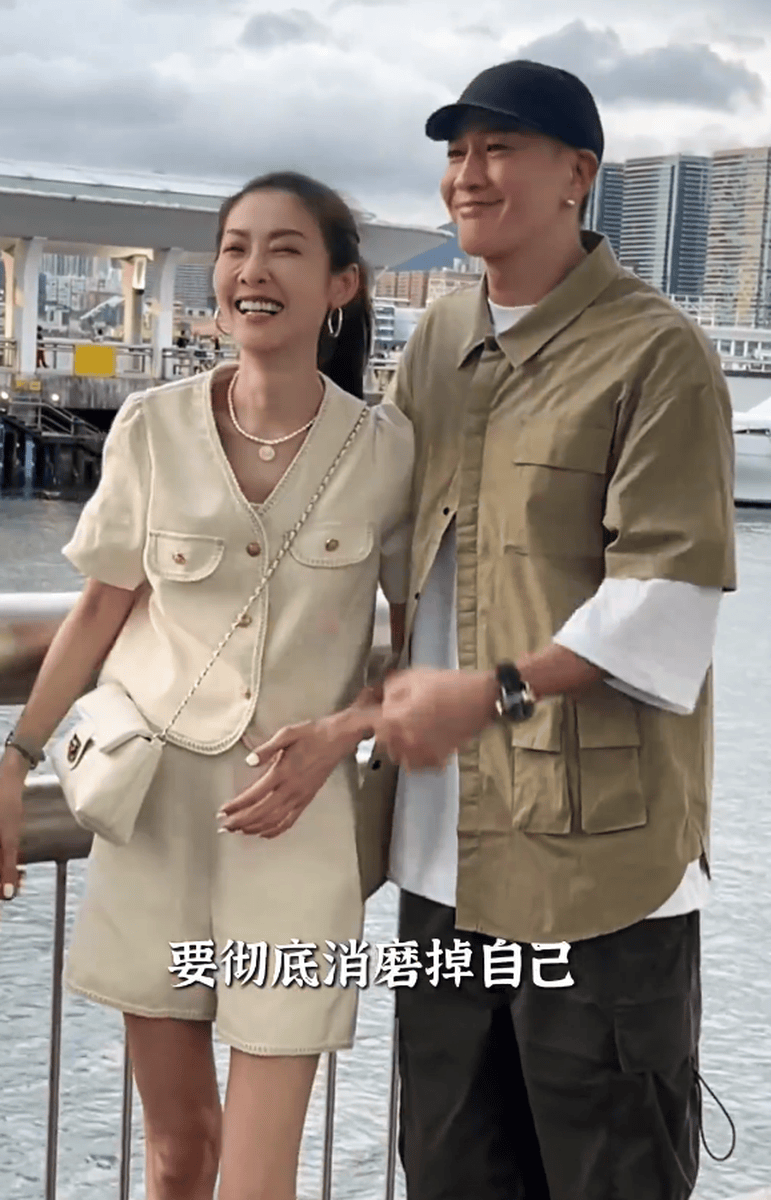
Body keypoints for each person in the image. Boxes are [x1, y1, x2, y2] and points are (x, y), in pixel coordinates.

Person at [357, 60, 735, 1200]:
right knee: (449, 1172)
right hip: (443, 863)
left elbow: (667, 595)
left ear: (577, 174)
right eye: (456, 153)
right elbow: (366, 528)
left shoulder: (657, 352)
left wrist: (488, 692)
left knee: (609, 1176)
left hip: (598, 874)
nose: (468, 175)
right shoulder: (436, 342)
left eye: (499, 149)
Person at [0, 171, 413, 1200]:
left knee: (258, 1178)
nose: (251, 270)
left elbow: (417, 650)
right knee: (179, 1152)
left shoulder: (389, 451)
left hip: (298, 827)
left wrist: (344, 733)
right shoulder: (151, 426)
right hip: (157, 818)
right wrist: (14, 760)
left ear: (341, 286)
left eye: (285, 249)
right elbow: (98, 611)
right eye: (235, 247)